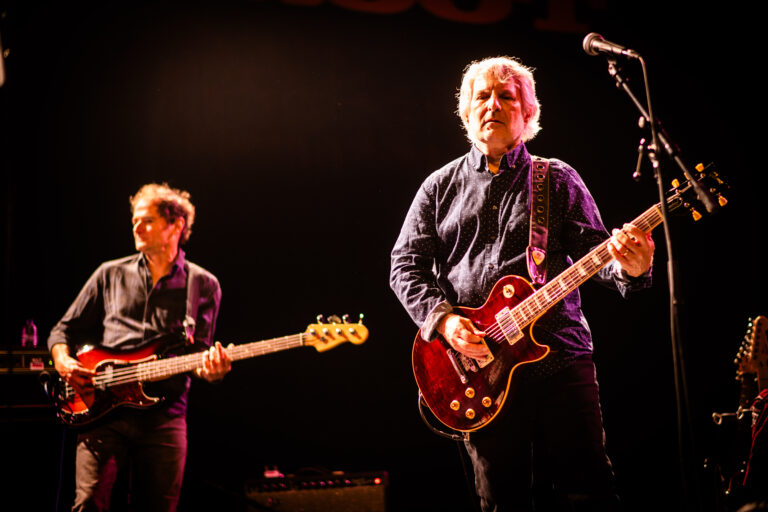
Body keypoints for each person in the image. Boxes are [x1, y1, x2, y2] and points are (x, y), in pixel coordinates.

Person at [390, 56, 655, 511]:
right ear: (467, 112)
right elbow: (405, 266)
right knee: (501, 501)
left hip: (561, 361)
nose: (493, 104)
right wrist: (446, 323)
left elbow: (601, 256)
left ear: (527, 115)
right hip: (478, 369)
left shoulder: (555, 179)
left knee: (589, 492)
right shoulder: (438, 188)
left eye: (506, 96)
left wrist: (632, 266)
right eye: (482, 96)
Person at [48, 183, 232, 511]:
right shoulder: (109, 273)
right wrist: (63, 361)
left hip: (165, 417)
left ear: (176, 225)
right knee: (89, 503)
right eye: (134, 219)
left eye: (146, 220)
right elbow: (62, 330)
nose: (136, 226)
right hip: (100, 409)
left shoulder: (204, 285)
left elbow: (200, 357)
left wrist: (213, 371)